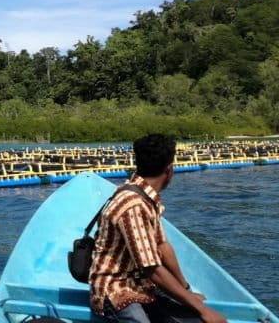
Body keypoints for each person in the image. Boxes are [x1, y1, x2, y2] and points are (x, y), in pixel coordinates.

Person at [89, 134, 227, 323]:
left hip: (142, 285)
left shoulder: (144, 196)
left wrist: (185, 289)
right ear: (169, 170)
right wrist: (202, 309)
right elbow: (151, 268)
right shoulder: (133, 204)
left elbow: (162, 246)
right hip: (115, 289)